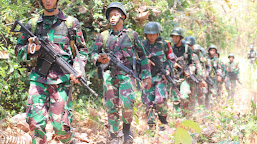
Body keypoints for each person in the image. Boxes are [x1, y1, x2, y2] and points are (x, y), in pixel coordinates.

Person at [15, 0, 88, 143]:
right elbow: (18, 51)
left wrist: (78, 69)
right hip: (38, 79)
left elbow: (82, 50)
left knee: (61, 127)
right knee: (35, 124)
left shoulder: (71, 23)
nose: (48, 1)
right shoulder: (33, 24)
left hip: (62, 80)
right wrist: (31, 49)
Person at [91, 2, 151, 143]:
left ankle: (126, 131)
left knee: (128, 104)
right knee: (111, 105)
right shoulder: (103, 36)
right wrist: (99, 58)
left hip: (127, 75)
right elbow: (93, 53)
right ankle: (113, 136)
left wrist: (147, 76)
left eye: (115, 14)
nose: (112, 18)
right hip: (109, 75)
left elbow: (143, 56)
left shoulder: (132, 35)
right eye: (110, 15)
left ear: (123, 16)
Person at [141, 22, 171, 130]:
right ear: (146, 35)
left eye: (154, 34)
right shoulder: (142, 45)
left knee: (160, 100)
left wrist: (167, 70)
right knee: (148, 102)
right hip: (147, 77)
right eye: (149, 34)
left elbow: (170, 59)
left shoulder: (164, 44)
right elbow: (134, 60)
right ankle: (151, 127)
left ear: (158, 34)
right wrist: (145, 61)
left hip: (160, 77)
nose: (152, 36)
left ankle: (163, 122)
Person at [185, 37, 207, 109]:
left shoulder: (194, 56)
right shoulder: (181, 54)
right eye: (187, 45)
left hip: (192, 79)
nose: (188, 47)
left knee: (192, 98)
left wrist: (201, 80)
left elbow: (199, 68)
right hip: (181, 79)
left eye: (190, 45)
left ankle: (190, 114)